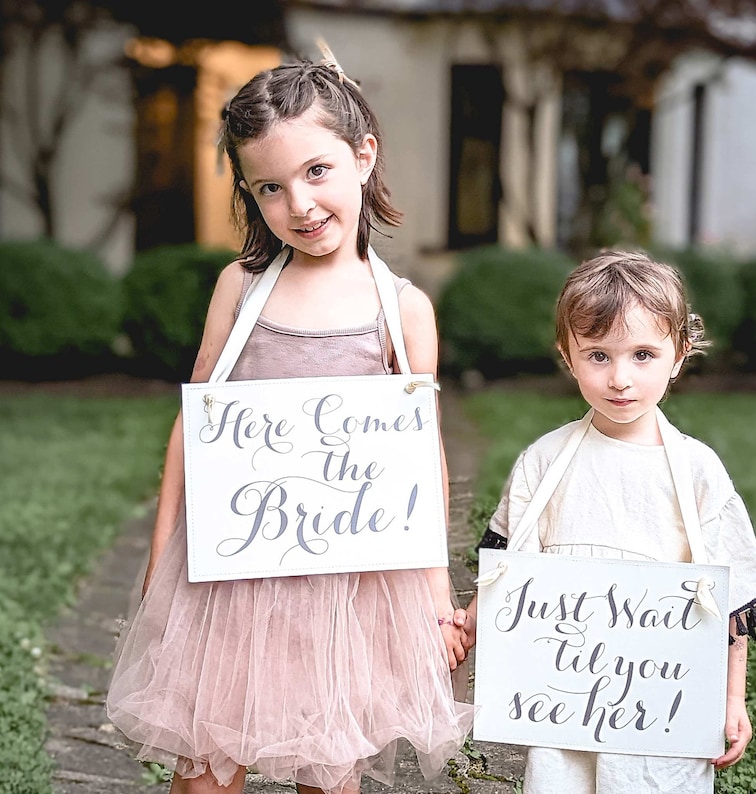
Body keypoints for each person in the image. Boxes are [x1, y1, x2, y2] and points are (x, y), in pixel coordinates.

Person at [106, 48, 473, 794]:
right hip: (231, 576)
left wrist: (435, 593)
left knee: (329, 766)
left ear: (363, 156)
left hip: (347, 583)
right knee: (205, 771)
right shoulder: (239, 287)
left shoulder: (400, 310)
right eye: (269, 188)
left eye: (315, 173)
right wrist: (159, 552)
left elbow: (417, 453)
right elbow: (194, 421)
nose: (298, 205)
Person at [453, 250, 756, 793]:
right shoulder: (544, 461)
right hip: (562, 705)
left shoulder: (699, 471)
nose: (620, 378)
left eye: (642, 354)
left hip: (662, 709)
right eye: (597, 355)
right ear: (568, 355)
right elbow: (510, 571)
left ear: (678, 355)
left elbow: (725, 603)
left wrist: (731, 700)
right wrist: (467, 625)